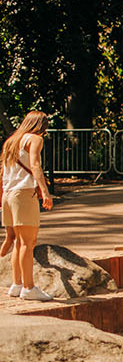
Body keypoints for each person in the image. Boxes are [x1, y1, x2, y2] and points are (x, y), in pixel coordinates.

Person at [3, 111, 55, 301]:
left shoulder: (11, 141)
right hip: (23, 193)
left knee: (18, 241)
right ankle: (29, 287)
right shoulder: (35, 139)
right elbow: (35, 165)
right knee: (28, 242)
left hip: (8, 194)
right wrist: (45, 191)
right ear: (41, 126)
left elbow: (4, 171)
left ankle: (17, 284)